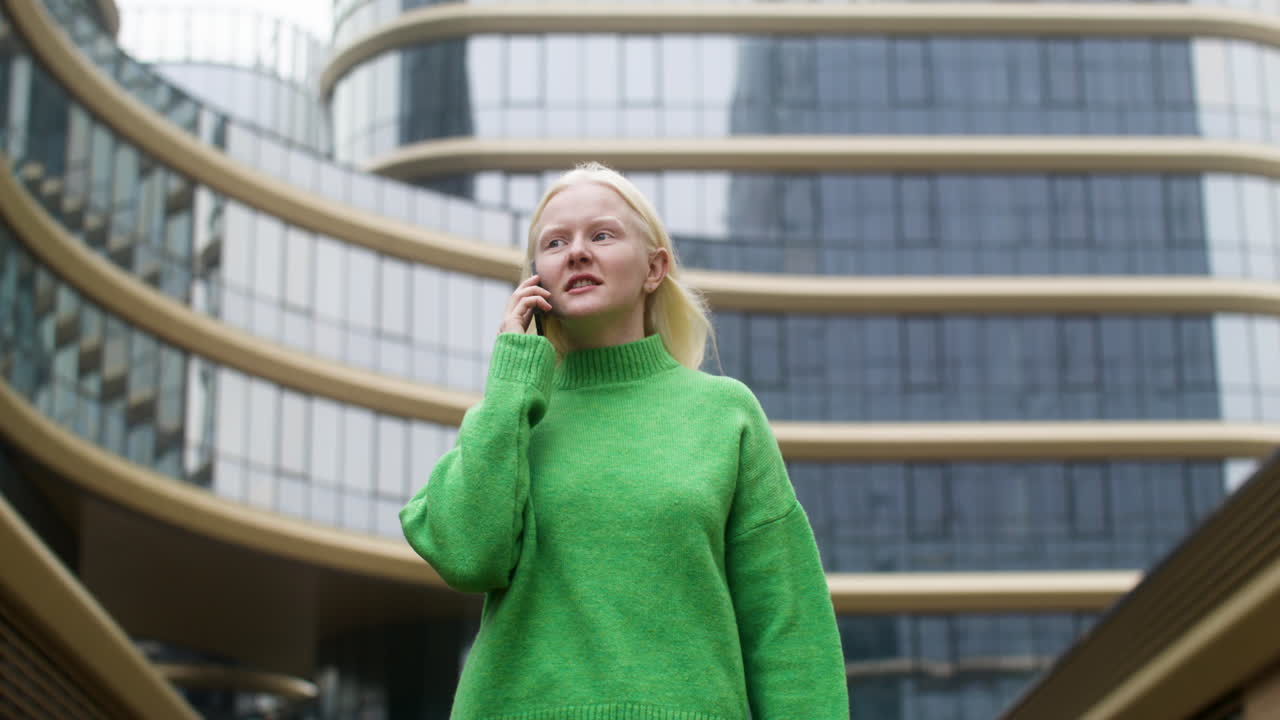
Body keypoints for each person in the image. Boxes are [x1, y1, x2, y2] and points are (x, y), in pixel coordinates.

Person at [400, 163, 848, 719]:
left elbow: (786, 621)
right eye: (555, 242)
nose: (577, 253)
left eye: (602, 235)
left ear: (655, 268)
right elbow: (469, 557)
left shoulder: (724, 413)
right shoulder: (508, 417)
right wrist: (512, 382)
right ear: (536, 279)